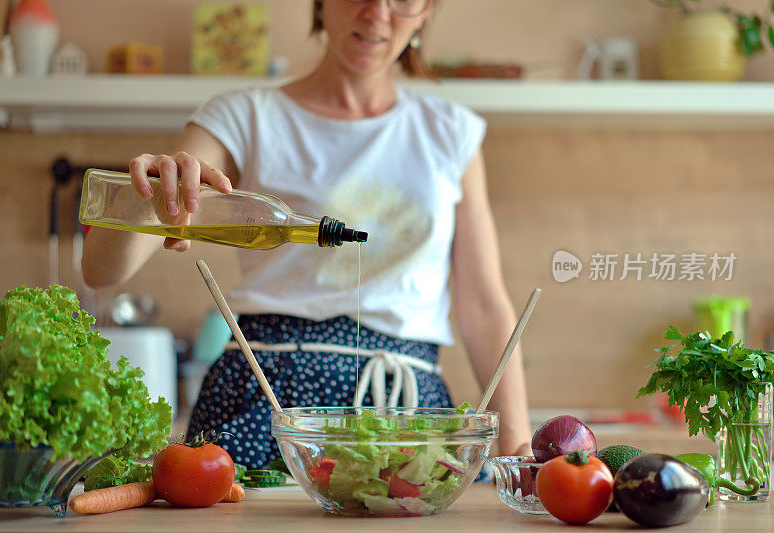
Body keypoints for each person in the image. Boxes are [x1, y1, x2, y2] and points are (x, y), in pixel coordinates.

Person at [82, 0, 532, 470]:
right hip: (267, 398)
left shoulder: (450, 132)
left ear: (425, 12)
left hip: (406, 411)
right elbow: (100, 271)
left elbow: (483, 304)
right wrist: (148, 195)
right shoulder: (243, 116)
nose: (377, 11)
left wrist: (517, 446)